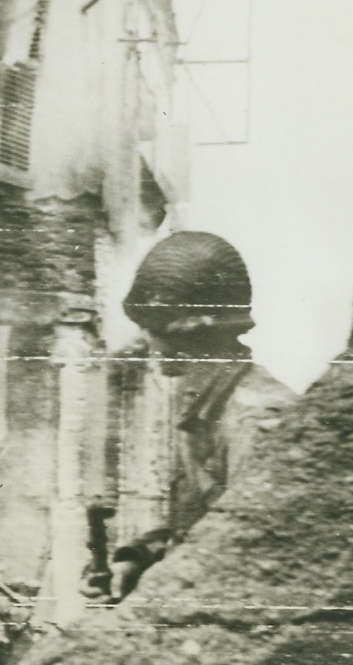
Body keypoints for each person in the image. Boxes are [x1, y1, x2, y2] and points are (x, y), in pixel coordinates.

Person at [82, 232, 294, 603]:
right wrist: (137, 563)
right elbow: (198, 531)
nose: (148, 342)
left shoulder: (256, 420)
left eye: (153, 328)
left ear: (187, 331)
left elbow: (252, 560)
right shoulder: (202, 405)